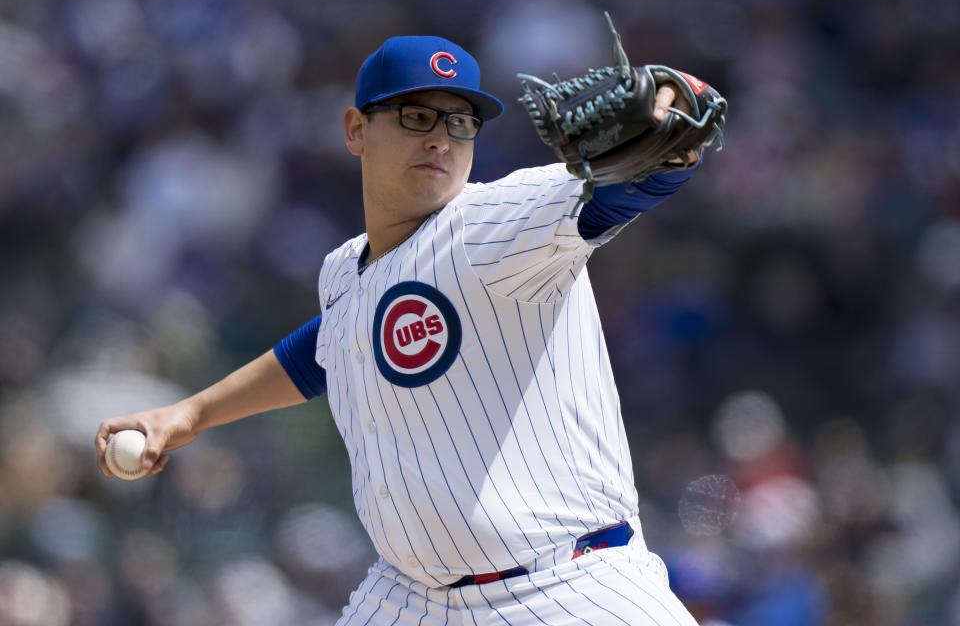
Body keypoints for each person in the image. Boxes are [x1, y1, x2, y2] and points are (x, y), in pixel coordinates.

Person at [96, 33, 706, 624]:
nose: (442, 139)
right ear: (357, 130)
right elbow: (327, 349)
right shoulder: (345, 270)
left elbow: (624, 192)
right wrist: (193, 413)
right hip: (412, 598)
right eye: (417, 117)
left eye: (460, 123)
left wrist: (676, 134)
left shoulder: (494, 226)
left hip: (566, 587)